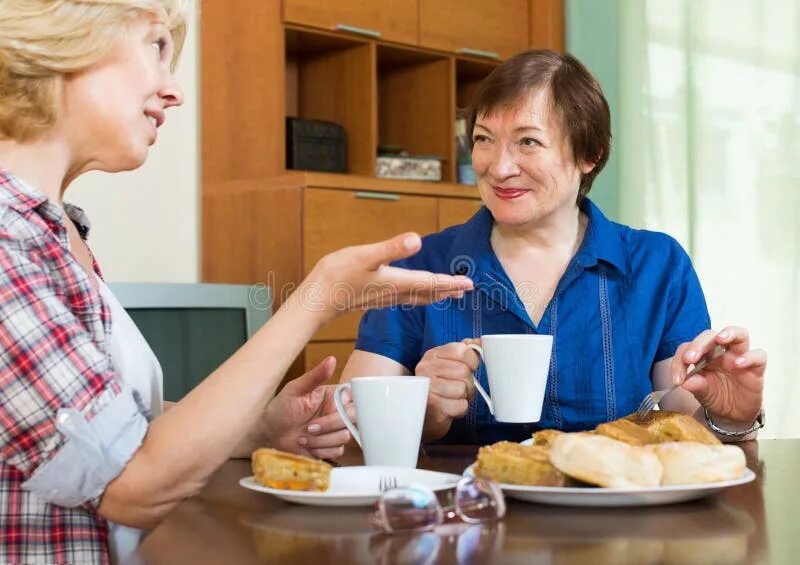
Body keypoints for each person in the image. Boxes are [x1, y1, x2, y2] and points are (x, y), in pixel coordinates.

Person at [0, 1, 473, 563]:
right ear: (63, 41)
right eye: (156, 48)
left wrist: (257, 430)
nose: (175, 91)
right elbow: (132, 484)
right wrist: (315, 300)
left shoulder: (55, 233)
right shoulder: (8, 242)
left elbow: (113, 434)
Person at [343, 49, 765, 446]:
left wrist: (731, 418)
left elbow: (689, 436)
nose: (499, 168)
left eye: (528, 142)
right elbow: (350, 431)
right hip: (465, 517)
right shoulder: (418, 267)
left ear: (589, 154)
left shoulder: (657, 266)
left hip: (617, 519)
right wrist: (424, 415)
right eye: (484, 139)